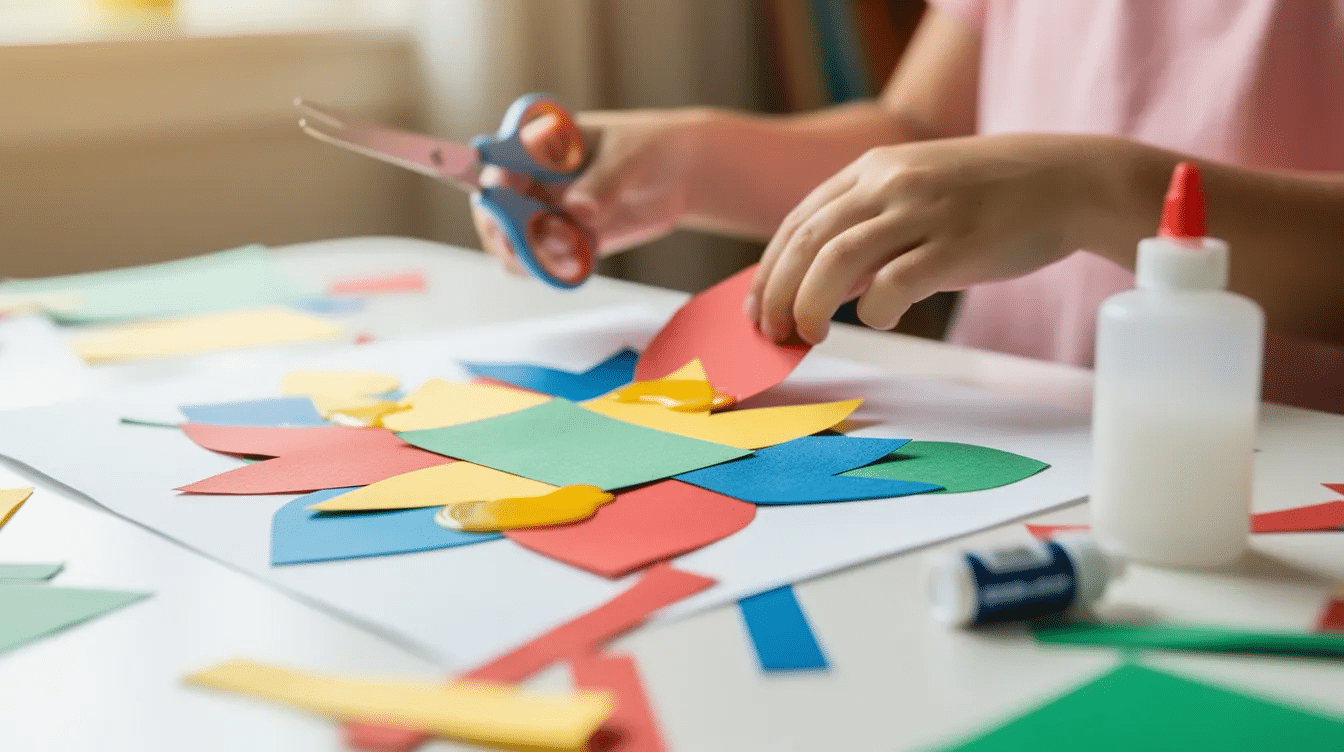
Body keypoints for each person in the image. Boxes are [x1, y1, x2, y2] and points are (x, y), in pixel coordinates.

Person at [473, 1, 1344, 413]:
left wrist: (1098, 191)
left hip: (1273, 473)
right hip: (1018, 433)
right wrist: (688, 158)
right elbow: (918, 135)